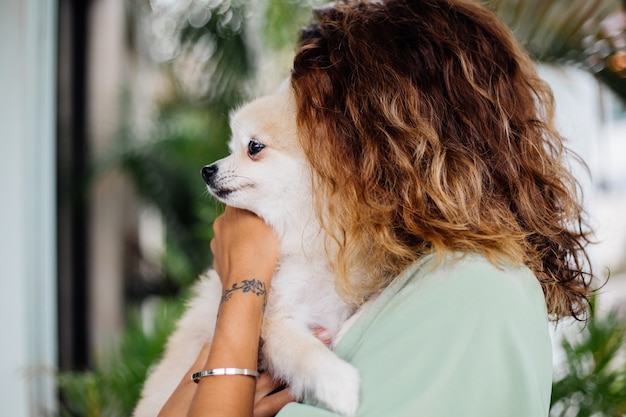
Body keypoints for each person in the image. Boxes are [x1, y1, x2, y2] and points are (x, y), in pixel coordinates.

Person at [159, 0, 594, 416]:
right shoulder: (410, 277)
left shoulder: (474, 294)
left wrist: (244, 281)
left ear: (390, 143)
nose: (312, 154)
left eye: (321, 127)